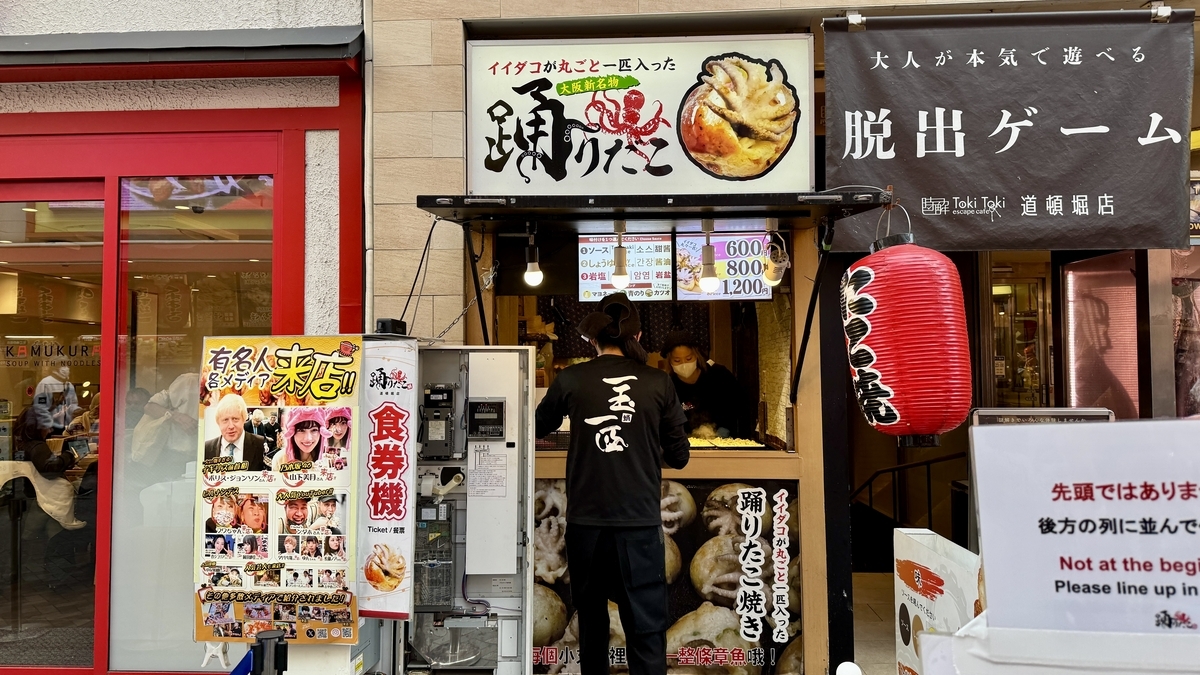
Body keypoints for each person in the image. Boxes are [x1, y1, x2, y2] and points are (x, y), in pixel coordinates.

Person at [535, 293, 690, 675]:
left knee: (591, 625)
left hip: (587, 526)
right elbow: (679, 456)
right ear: (637, 335)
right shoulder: (658, 382)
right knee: (646, 629)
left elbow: (537, 426)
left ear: (592, 339)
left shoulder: (572, 379)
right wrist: (645, 444)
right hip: (639, 525)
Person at [658, 330, 758, 440]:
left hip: (725, 441)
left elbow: (741, 405)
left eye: (689, 358)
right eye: (677, 360)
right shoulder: (668, 386)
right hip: (686, 443)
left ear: (697, 355)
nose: (684, 364)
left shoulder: (719, 375)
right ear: (669, 361)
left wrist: (725, 430)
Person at [204, 394, 267, 471]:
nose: (231, 426)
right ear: (218, 423)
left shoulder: (259, 444)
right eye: (225, 420)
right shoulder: (206, 448)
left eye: (235, 419)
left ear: (244, 419)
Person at [33, 364, 78, 436]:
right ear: (56, 368)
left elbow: (73, 404)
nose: (67, 368)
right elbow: (40, 408)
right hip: (51, 429)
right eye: (63, 365)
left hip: (67, 429)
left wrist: (78, 412)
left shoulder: (69, 386)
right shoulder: (45, 383)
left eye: (67, 366)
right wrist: (47, 426)